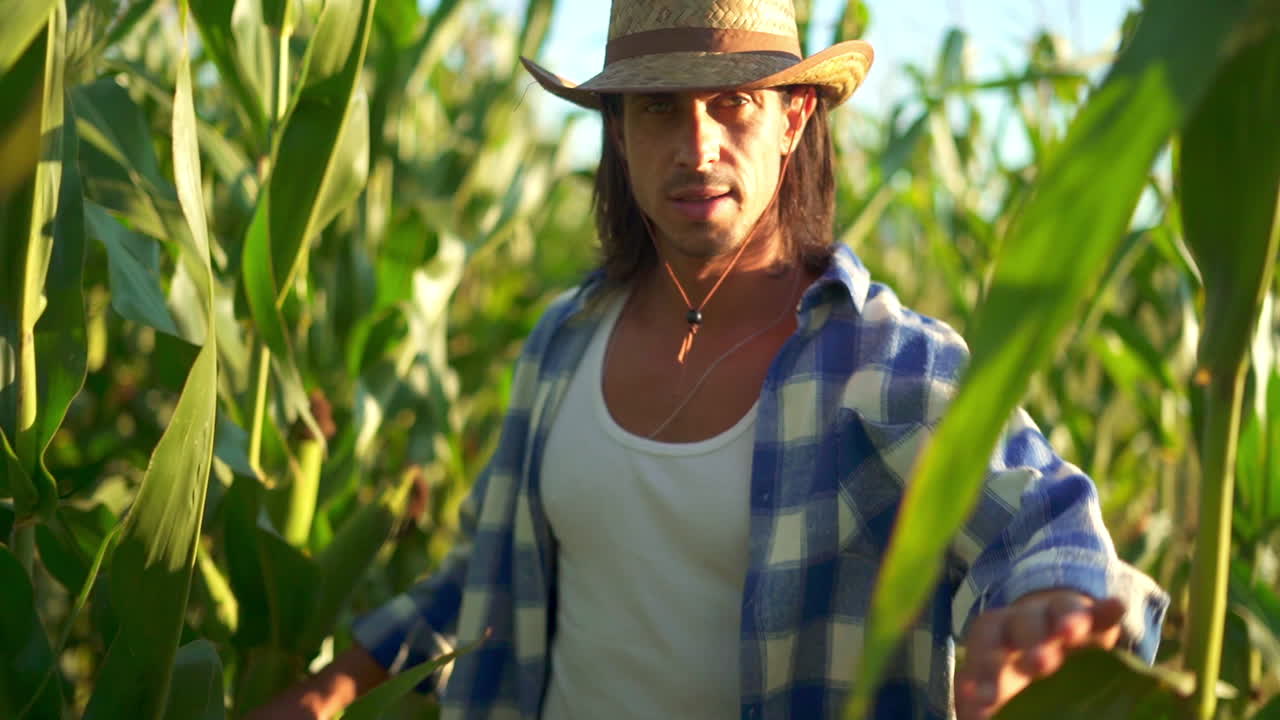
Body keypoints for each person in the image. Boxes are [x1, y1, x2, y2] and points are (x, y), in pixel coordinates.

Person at [249, 1, 1167, 718]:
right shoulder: (561, 346)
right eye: (659, 108)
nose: (697, 148)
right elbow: (485, 573)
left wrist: (1060, 603)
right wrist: (331, 690)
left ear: (793, 119)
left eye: (731, 104)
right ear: (619, 130)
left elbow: (1042, 523)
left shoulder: (887, 368)